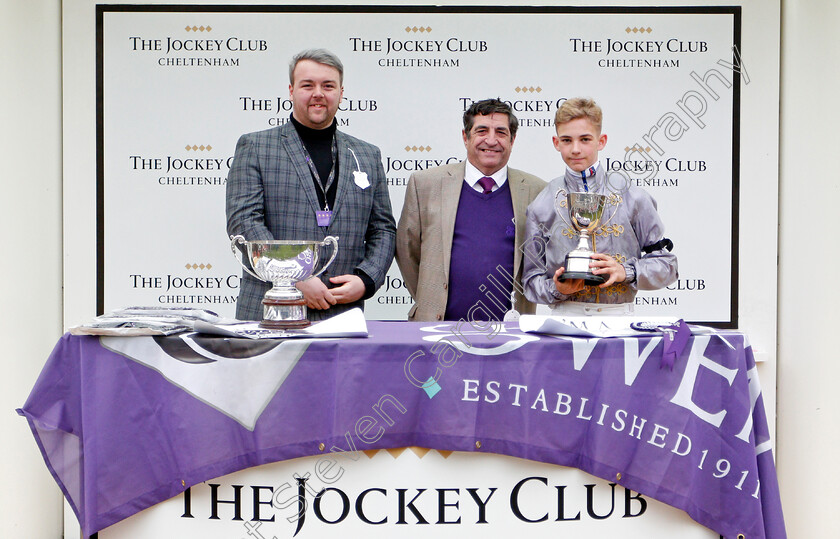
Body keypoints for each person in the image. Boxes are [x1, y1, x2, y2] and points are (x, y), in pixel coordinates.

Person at [226, 49, 396, 321]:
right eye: (308, 85)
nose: (318, 93)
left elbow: (383, 229)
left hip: (341, 312)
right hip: (270, 311)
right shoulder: (256, 146)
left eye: (328, 86)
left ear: (341, 93)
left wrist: (366, 280)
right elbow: (245, 223)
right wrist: (294, 277)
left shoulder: (367, 154)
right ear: (291, 91)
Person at [522, 97, 677, 315]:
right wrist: (557, 288)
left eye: (585, 139)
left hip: (620, 319)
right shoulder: (542, 204)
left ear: (601, 141)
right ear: (556, 143)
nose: (575, 149)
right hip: (565, 320)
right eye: (567, 140)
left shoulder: (633, 197)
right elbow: (530, 281)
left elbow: (667, 266)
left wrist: (627, 271)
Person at [396, 99, 545, 321]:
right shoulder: (425, 184)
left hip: (511, 337)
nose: (491, 140)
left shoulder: (536, 191)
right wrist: (432, 296)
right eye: (482, 131)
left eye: (501, 132)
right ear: (466, 137)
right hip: (436, 331)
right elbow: (407, 251)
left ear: (512, 140)